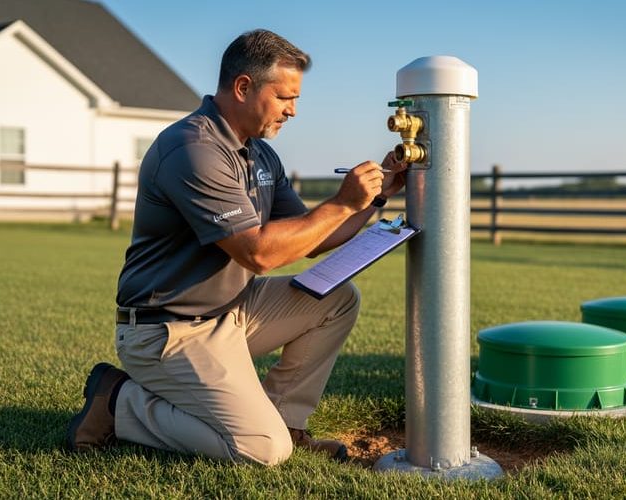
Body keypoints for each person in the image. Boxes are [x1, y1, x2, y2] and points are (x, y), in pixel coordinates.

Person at [66, 29, 407, 465]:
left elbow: (310, 238)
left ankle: (286, 421)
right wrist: (341, 201)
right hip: (166, 330)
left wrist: (376, 197)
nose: (293, 110)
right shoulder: (192, 148)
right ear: (244, 87)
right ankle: (120, 403)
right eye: (286, 97)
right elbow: (258, 254)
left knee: (337, 300)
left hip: (229, 310)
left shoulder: (260, 155)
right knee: (261, 449)